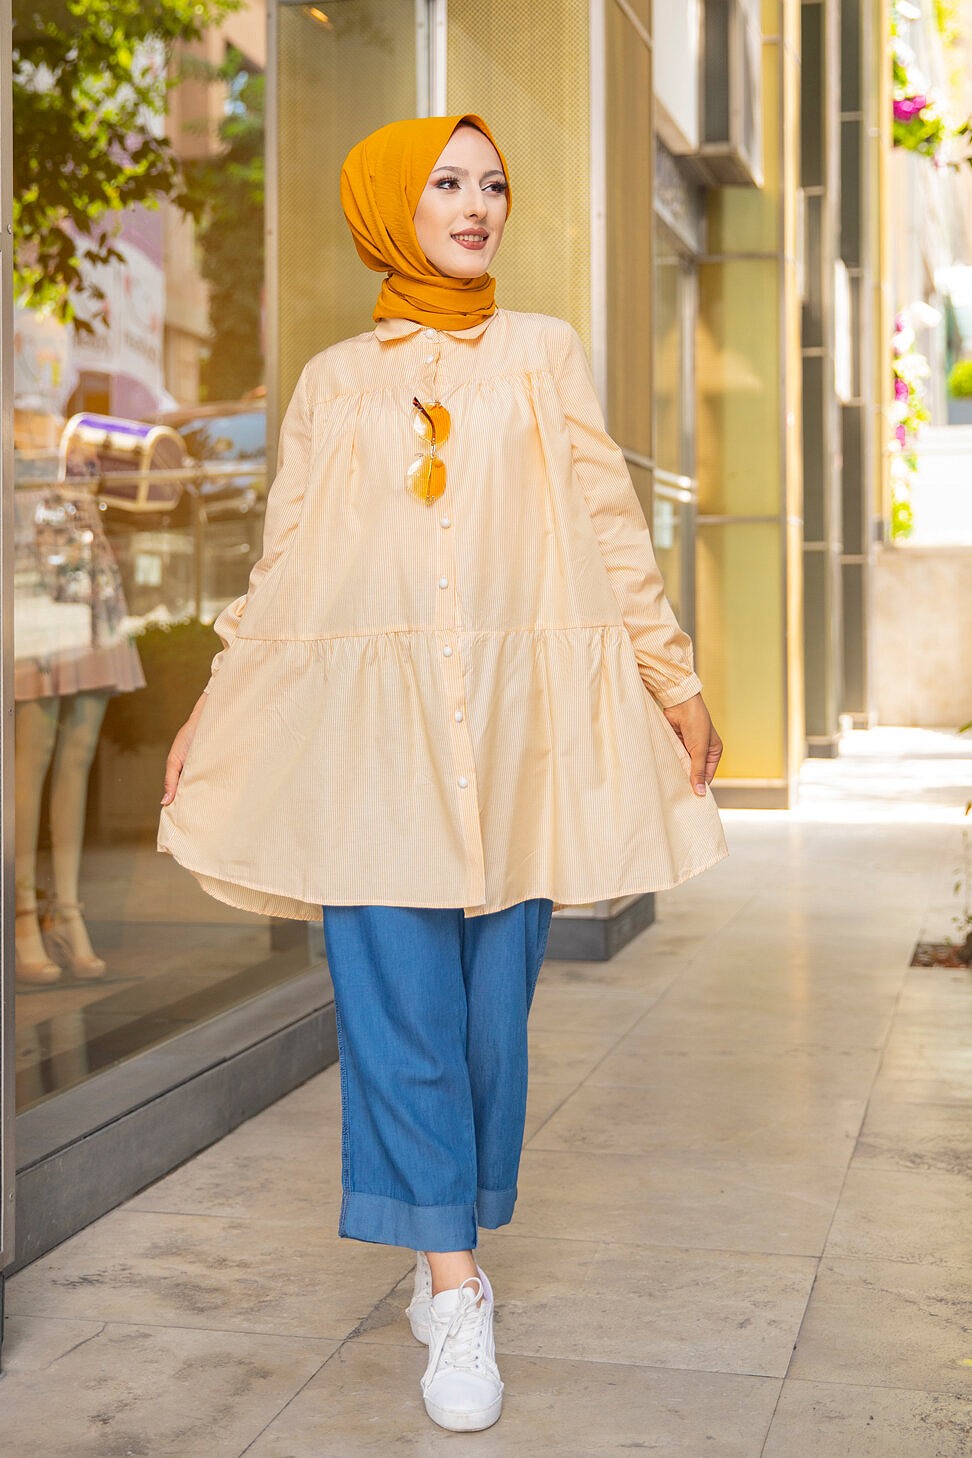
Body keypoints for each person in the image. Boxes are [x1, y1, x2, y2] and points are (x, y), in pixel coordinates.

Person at [158, 113, 727, 1433]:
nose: (478, 205)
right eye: (449, 184)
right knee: (397, 1008)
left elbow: (609, 526)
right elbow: (285, 565)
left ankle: (441, 1248)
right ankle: (457, 1288)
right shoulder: (333, 383)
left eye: (494, 185)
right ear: (389, 208)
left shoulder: (543, 354)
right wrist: (218, 698)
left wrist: (674, 676)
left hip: (513, 740)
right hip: (372, 744)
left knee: (486, 1025)